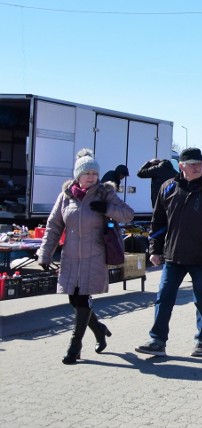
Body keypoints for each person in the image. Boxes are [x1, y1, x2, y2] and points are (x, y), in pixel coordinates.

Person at [36, 149, 134, 364]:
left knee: (83, 299)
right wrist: (44, 254)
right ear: (77, 175)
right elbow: (53, 227)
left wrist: (107, 208)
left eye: (94, 173)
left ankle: (75, 345)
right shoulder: (65, 196)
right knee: (75, 299)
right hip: (71, 257)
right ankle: (99, 330)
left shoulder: (104, 193)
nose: (91, 177)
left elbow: (128, 214)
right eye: (86, 173)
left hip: (94, 256)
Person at [135, 148, 202, 358]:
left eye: (200, 164)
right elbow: (159, 222)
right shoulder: (168, 187)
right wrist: (155, 249)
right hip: (173, 257)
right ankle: (157, 341)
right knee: (164, 298)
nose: (198, 167)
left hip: (201, 257)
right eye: (193, 164)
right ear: (181, 166)